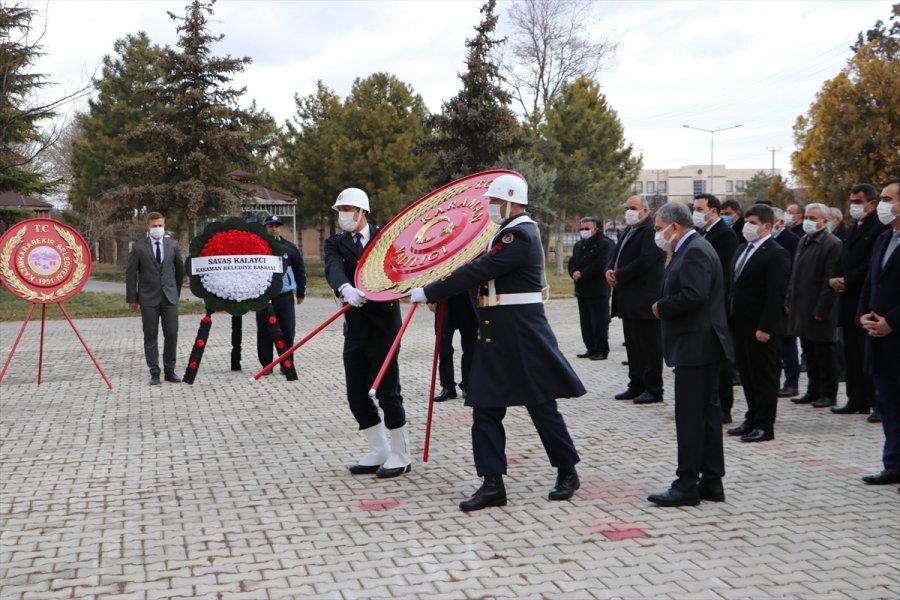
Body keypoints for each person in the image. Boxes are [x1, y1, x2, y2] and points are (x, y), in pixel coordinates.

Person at [409, 174, 585, 511]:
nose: (490, 207)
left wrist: (429, 291)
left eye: (494, 201)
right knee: (486, 409)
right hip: (496, 334)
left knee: (541, 406)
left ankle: (567, 471)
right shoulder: (506, 232)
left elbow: (479, 271)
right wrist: (435, 280)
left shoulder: (519, 233)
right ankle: (492, 483)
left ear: (510, 199)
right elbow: (474, 266)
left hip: (521, 335)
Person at [647, 202, 732, 507]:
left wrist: (662, 307)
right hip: (701, 346)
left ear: (675, 226)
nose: (658, 234)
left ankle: (686, 484)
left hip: (697, 346)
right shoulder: (696, 246)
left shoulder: (695, 249)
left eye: (659, 229)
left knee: (690, 418)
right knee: (707, 416)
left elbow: (695, 294)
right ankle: (711, 480)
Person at [323, 187, 409, 478]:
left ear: (363, 212)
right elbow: (333, 268)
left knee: (387, 391)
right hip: (356, 328)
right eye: (340, 211)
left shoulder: (385, 238)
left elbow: (397, 270)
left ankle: (400, 453)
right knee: (356, 394)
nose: (343, 216)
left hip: (385, 327)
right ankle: (379, 449)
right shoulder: (335, 243)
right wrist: (345, 288)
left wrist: (375, 290)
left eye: (348, 210)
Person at [726, 205, 790, 443]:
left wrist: (766, 327)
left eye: (753, 223)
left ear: (766, 226)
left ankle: (765, 425)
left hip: (760, 328)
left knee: (764, 377)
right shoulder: (742, 249)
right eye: (746, 222)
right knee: (748, 376)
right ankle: (751, 418)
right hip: (740, 324)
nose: (747, 227)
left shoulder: (775, 253)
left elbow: (776, 294)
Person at [829, 184, 888, 418]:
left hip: (864, 296)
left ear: (872, 203)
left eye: (858, 202)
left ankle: (877, 402)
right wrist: (834, 278)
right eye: (851, 201)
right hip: (849, 299)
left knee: (867, 353)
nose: (853, 206)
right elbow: (844, 256)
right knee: (851, 353)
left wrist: (848, 279)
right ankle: (856, 398)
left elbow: (871, 264)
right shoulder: (855, 227)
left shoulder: (879, 228)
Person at [858, 178, 900, 487]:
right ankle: (893, 464)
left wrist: (892, 321)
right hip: (878, 337)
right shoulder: (885, 238)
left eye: (887, 199)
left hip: (896, 332)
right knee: (888, 405)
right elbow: (872, 282)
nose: (882, 205)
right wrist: (864, 313)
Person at [605, 196, 665, 404]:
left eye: (633, 208)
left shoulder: (651, 231)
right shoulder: (629, 229)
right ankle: (636, 383)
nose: (629, 211)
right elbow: (615, 255)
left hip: (645, 298)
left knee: (649, 346)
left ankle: (653, 388)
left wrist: (619, 275)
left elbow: (645, 261)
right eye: (627, 208)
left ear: (645, 211)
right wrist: (609, 271)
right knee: (633, 345)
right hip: (627, 299)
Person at [786, 203, 842, 408]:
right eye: (807, 217)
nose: (808, 221)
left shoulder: (832, 243)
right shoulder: (804, 240)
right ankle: (813, 389)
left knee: (824, 353)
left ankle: (829, 393)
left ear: (825, 221)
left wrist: (821, 309)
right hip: (801, 305)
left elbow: (830, 280)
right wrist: (789, 300)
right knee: (808, 351)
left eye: (813, 218)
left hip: (819, 308)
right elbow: (795, 274)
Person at [692, 193, 739, 423]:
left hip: (717, 306)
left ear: (714, 211)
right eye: (695, 209)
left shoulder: (725, 236)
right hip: (705, 309)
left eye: (700, 209)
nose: (696, 213)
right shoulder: (704, 233)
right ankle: (710, 404)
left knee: (721, 364)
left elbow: (724, 274)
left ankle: (724, 409)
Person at [125, 211, 184, 386]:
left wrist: (176, 292)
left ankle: (170, 371)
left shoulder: (172, 245)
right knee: (150, 335)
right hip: (148, 298)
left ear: (164, 225)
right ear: (148, 227)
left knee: (171, 334)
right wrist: (132, 298)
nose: (157, 229)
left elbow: (179, 271)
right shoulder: (139, 247)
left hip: (169, 298)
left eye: (160, 225)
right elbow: (131, 274)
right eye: (154, 226)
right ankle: (154, 372)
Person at [255, 215, 306, 372]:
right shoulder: (257, 247)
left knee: (287, 330)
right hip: (263, 297)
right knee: (264, 332)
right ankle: (266, 365)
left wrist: (301, 293)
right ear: (266, 228)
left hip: (284, 297)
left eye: (277, 226)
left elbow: (300, 270)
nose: (274, 228)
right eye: (271, 226)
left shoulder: (289, 248)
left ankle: (287, 362)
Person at [568, 216, 613, 360]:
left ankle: (601, 350)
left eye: (587, 228)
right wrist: (573, 272)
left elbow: (601, 264)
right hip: (582, 289)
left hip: (598, 289)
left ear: (596, 229)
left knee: (599, 321)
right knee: (585, 321)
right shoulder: (579, 245)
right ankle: (590, 348)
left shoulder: (605, 244)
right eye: (581, 228)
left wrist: (582, 273)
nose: (583, 231)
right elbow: (572, 261)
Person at [771, 208, 801, 398]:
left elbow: (793, 272)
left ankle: (792, 382)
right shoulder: (770, 241)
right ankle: (776, 381)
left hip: (786, 298)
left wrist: (788, 299)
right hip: (773, 298)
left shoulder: (791, 240)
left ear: (780, 222)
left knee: (788, 344)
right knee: (776, 345)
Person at [431, 291, 478, 401]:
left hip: (467, 297)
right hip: (444, 298)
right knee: (443, 345)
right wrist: (431, 298)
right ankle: (448, 387)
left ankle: (468, 385)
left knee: (470, 345)